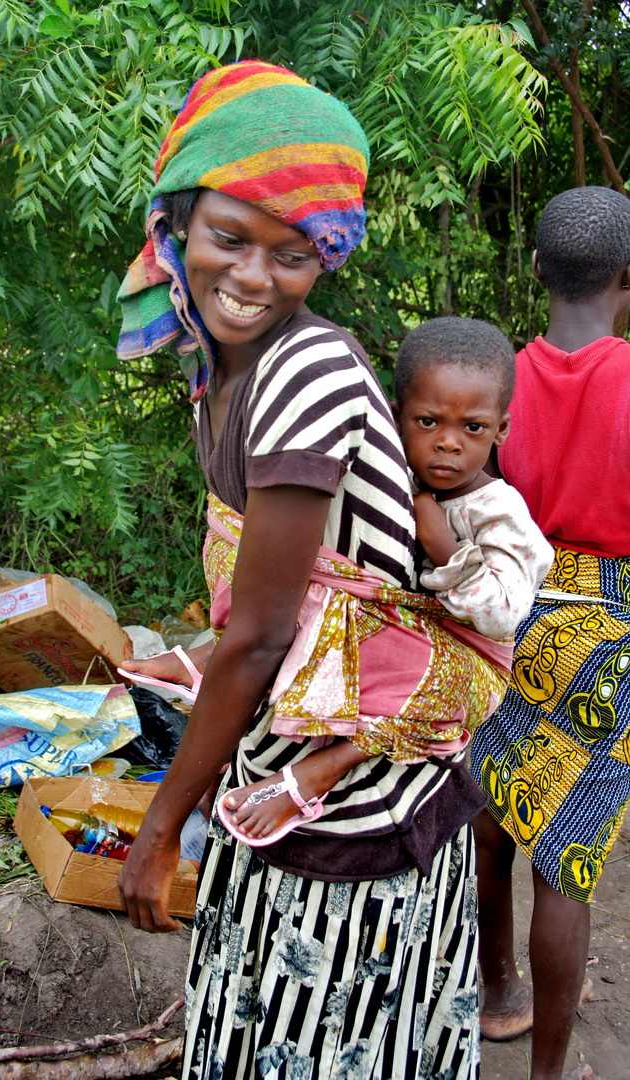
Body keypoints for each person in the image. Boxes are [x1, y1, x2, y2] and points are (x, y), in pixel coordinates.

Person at [116, 60, 493, 1080]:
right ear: (176, 224)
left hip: (356, 791)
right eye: (227, 238)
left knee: (325, 1042)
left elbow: (261, 635)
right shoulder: (217, 366)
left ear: (324, 258)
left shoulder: (306, 374)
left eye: (291, 255)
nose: (251, 277)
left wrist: (159, 828)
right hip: (282, 755)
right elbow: (261, 610)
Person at [219, 316, 554, 845]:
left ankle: (325, 767)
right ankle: (212, 665)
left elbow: (501, 615)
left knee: (428, 688)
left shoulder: (499, 512)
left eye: (473, 428)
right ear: (397, 418)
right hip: (399, 638)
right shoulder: (395, 476)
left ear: (501, 430)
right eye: (428, 422)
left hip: (468, 661)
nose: (449, 443)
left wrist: (444, 545)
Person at [469, 185, 630, 1080]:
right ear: (628, 279)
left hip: (505, 604)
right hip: (610, 629)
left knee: (492, 808)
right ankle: (547, 1075)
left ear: (534, 268)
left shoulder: (495, 377)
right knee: (565, 862)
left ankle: (498, 992)